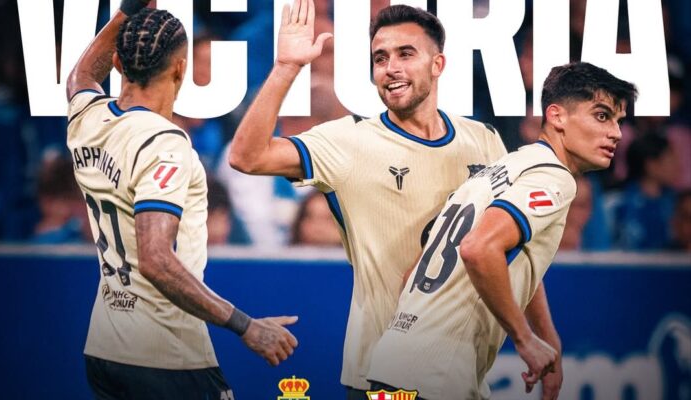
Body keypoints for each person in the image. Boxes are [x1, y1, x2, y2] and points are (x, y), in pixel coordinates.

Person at [229, 1, 561, 397]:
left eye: (406, 54)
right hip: (381, 377)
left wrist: (547, 340)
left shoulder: (484, 140)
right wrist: (287, 67)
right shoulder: (349, 142)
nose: (391, 68)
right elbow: (246, 157)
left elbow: (516, 252)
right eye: (380, 58)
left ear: (438, 64)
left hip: (459, 375)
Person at [65, 2, 297, 398]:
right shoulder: (164, 144)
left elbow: (82, 74)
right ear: (180, 69)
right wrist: (246, 326)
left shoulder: (87, 118)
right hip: (166, 356)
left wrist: (127, 10)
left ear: (118, 63)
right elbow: (155, 258)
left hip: (105, 351)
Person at [366, 62, 637, 400]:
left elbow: (414, 273)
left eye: (618, 121)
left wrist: (547, 337)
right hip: (437, 376)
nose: (616, 133)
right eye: (602, 116)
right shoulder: (553, 178)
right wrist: (525, 339)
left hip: (392, 364)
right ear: (556, 116)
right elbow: (479, 249)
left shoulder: (498, 169)